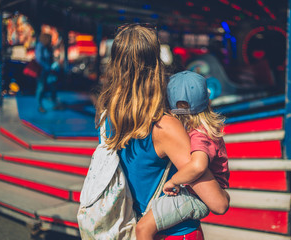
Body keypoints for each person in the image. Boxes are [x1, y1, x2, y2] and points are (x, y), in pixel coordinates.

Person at [95, 23, 230, 239]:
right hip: (175, 234)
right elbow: (219, 203)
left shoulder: (109, 117)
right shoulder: (164, 125)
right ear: (156, 66)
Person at [136, 71, 230, 240]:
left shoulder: (199, 135)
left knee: (143, 228)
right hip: (196, 195)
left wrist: (174, 180)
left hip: (196, 198)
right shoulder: (205, 129)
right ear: (207, 101)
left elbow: (198, 166)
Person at [35, 33, 57, 113]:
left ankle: (54, 103)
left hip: (48, 70)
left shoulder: (48, 47)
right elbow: (39, 59)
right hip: (42, 71)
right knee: (41, 88)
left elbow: (51, 58)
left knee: (53, 85)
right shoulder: (40, 46)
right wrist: (47, 66)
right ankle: (39, 105)